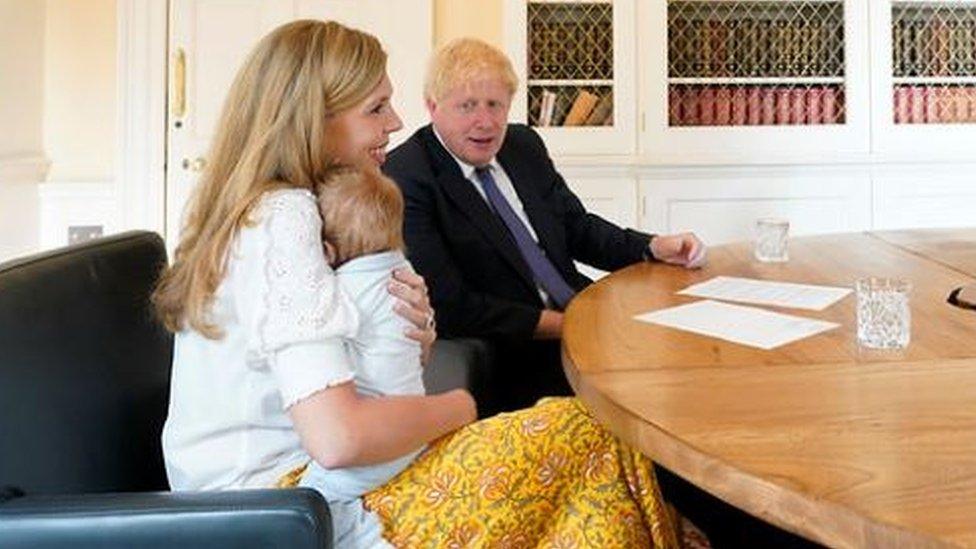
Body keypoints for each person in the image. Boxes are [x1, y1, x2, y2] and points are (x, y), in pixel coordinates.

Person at [154, 20, 679, 548]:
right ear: (316, 119)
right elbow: (338, 437)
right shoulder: (283, 218)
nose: (395, 122)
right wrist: (462, 407)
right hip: (290, 502)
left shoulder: (284, 208)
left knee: (594, 445)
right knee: (588, 434)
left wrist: (412, 340)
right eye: (376, 108)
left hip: (309, 481)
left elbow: (320, 385)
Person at [383, 38, 707, 415]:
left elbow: (576, 228)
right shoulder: (405, 176)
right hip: (515, 351)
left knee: (687, 366)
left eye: (495, 105)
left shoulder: (522, 145)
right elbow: (452, 304)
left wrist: (652, 246)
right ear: (432, 106)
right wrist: (570, 325)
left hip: (582, 317)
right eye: (467, 106)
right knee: (648, 401)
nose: (485, 122)